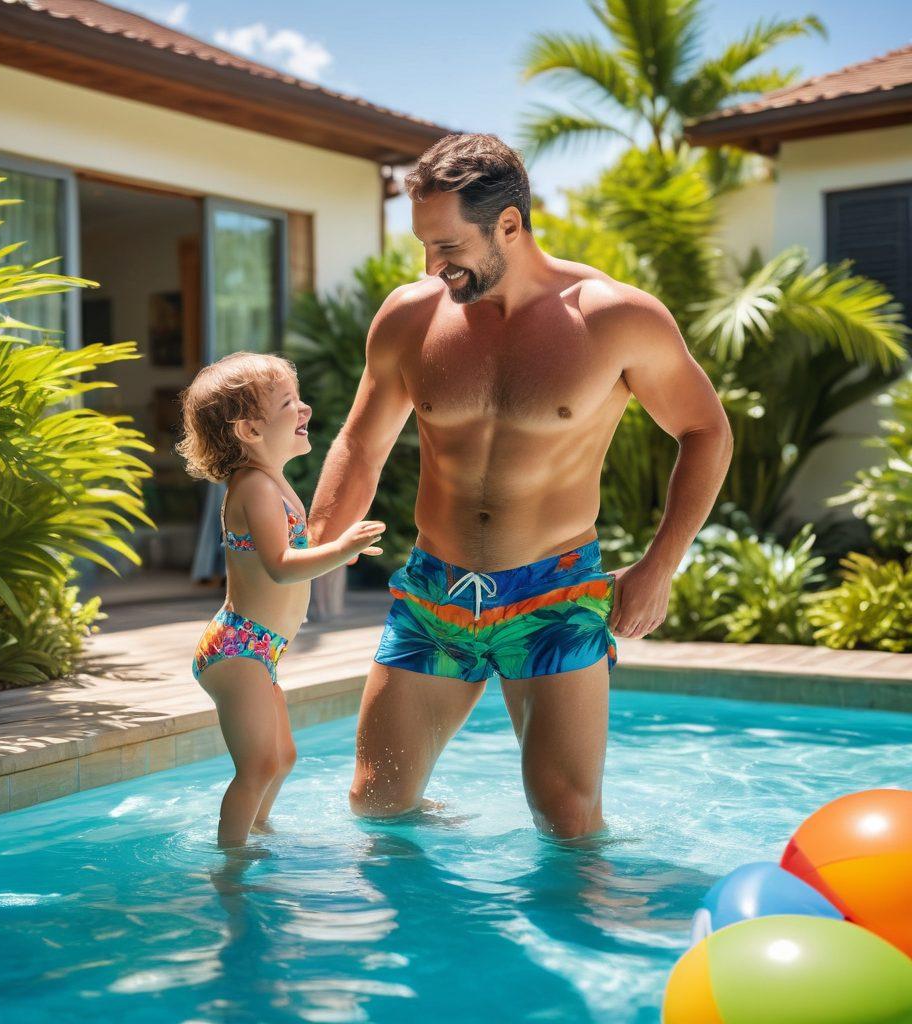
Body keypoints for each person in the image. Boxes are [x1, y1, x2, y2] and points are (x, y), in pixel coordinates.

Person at [307, 133, 733, 842]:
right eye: (423, 245)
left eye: (447, 247)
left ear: (509, 224)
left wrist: (661, 565)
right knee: (376, 799)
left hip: (554, 593)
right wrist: (312, 559)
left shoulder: (615, 318)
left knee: (565, 817)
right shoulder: (411, 317)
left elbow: (706, 430)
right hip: (435, 592)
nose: (431, 266)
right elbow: (360, 443)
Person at [177, 352, 386, 846]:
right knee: (258, 765)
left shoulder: (271, 481)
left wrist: (333, 556)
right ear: (249, 431)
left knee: (282, 757)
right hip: (237, 650)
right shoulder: (253, 487)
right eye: (290, 402)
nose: (306, 410)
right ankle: (230, 864)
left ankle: (259, 830)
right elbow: (278, 565)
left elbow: (288, 554)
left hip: (261, 650)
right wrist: (338, 549)